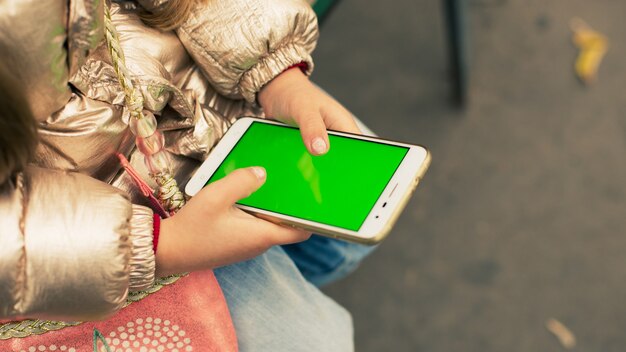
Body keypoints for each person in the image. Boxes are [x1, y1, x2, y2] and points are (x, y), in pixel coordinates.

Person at [0, 0, 375, 350]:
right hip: (104, 225)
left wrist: (275, 70)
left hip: (209, 91)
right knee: (318, 339)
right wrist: (157, 247)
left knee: (344, 238)